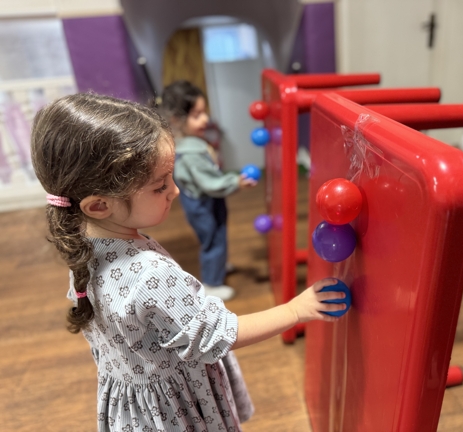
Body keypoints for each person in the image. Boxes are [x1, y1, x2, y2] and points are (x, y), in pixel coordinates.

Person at [30, 93, 347, 432]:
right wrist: (296, 310)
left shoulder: (84, 247)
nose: (175, 191)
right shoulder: (150, 273)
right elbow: (218, 334)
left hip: (135, 409)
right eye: (159, 186)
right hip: (177, 410)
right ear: (99, 206)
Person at [158, 80, 253, 301]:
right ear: (177, 120)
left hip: (202, 200)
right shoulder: (191, 153)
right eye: (197, 115)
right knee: (213, 239)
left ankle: (217, 265)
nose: (205, 119)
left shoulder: (188, 142)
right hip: (203, 204)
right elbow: (210, 183)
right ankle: (211, 282)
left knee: (216, 236)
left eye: (204, 112)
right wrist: (235, 182)